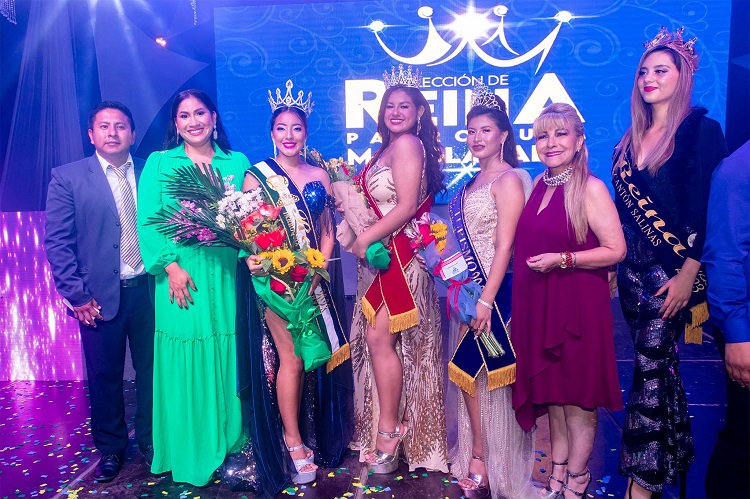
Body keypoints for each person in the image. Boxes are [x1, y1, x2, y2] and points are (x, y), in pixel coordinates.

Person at [611, 28, 728, 498]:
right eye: (644, 71)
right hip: (630, 276)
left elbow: (708, 208)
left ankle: (640, 486)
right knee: (661, 374)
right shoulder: (629, 140)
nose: (649, 78)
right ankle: (670, 463)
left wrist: (688, 272)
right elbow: (622, 216)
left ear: (684, 77)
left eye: (661, 70)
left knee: (647, 372)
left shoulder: (700, 131)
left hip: (671, 275)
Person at [238, 80, 352, 493]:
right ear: (272, 133)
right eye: (281, 128)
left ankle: (310, 432)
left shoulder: (319, 174)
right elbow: (250, 233)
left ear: (306, 133)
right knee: (291, 359)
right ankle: (292, 439)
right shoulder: (257, 177)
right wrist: (264, 267)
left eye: (297, 128)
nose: (289, 135)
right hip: (277, 283)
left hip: (314, 279)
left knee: (311, 358)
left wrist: (318, 267)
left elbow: (327, 230)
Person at [512, 102, 626, 499]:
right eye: (542, 136)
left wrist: (564, 260)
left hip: (577, 308)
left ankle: (578, 478)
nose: (551, 143)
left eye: (561, 134)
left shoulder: (590, 188)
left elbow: (616, 249)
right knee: (554, 398)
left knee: (578, 400)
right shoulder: (538, 184)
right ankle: (557, 473)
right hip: (540, 306)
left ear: (579, 141)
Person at [136, 89, 249, 486]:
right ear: (176, 124)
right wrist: (171, 267)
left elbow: (252, 220)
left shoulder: (236, 162)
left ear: (214, 118)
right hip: (180, 276)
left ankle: (231, 443)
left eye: (200, 113)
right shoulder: (160, 163)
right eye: (184, 116)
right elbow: (148, 220)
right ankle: (190, 450)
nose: (193, 121)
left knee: (227, 352)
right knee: (187, 355)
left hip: (227, 273)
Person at [45, 101, 155, 482]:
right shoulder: (68, 177)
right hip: (96, 297)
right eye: (104, 126)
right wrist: (76, 295)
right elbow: (58, 243)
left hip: (149, 292)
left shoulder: (152, 172)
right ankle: (111, 448)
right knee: (104, 375)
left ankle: (152, 441)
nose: (112, 133)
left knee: (153, 372)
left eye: (120, 126)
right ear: (91, 135)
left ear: (132, 134)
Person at [348, 65, 449, 473]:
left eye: (404, 105)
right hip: (382, 259)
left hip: (400, 259)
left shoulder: (408, 144)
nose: (395, 112)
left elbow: (406, 207)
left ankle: (390, 430)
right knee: (382, 344)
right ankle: (391, 424)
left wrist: (364, 239)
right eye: (389, 106)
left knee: (379, 340)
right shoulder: (383, 150)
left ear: (419, 112)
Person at [445, 86, 534, 498]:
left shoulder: (510, 179)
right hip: (469, 295)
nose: (477, 138)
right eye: (471, 131)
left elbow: (505, 246)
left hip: (496, 296)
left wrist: (485, 299)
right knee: (469, 378)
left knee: (488, 378)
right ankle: (476, 451)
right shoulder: (468, 184)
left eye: (486, 130)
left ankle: (490, 459)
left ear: (503, 136)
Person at [702, 140, 750, 499]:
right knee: (744, 440)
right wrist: (738, 336)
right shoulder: (737, 169)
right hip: (745, 326)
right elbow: (724, 255)